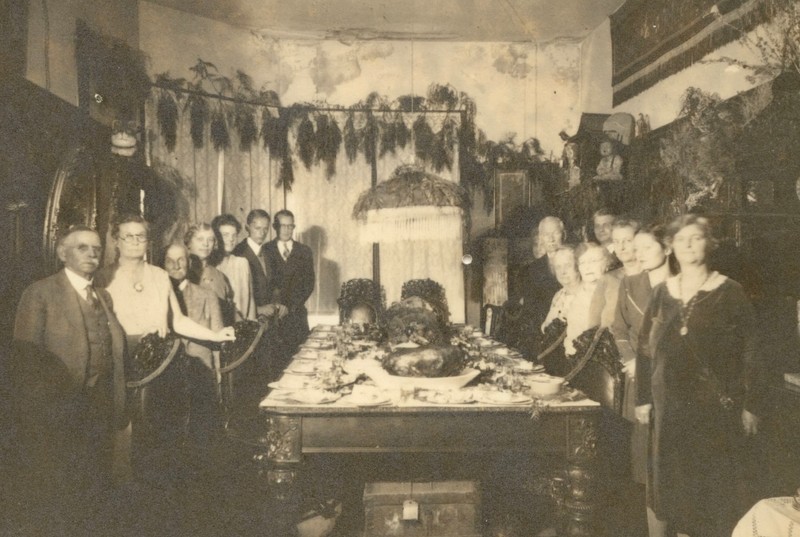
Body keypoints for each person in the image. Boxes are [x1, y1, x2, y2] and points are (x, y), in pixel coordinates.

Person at [635, 215, 766, 537]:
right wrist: (642, 399)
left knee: (707, 488)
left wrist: (752, 404)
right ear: (672, 247)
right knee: (669, 483)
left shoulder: (730, 292)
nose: (689, 245)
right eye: (681, 239)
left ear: (710, 243)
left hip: (711, 409)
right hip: (668, 408)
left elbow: (753, 351)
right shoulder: (662, 293)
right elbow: (644, 350)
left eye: (696, 238)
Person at [8, 226, 127, 534]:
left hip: (100, 408)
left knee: (96, 485)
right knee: (61, 493)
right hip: (58, 413)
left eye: (96, 249)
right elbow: (25, 360)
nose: (91, 254)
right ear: (63, 253)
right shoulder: (40, 293)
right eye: (82, 248)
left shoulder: (103, 296)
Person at [611, 223, 673, 537]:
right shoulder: (630, 284)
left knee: (674, 467)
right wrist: (631, 360)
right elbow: (619, 329)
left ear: (668, 248)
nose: (638, 254)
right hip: (640, 384)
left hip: (673, 385)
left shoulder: (681, 286)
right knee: (647, 469)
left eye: (646, 247)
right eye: (636, 248)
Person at [96, 214, 235, 350]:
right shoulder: (102, 278)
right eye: (128, 236)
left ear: (148, 242)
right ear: (116, 241)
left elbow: (178, 321)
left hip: (157, 357)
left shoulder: (160, 275)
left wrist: (215, 335)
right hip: (121, 357)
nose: (135, 241)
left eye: (141, 236)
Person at [164, 243, 223, 444]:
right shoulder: (159, 297)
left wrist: (218, 373)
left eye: (181, 259)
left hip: (202, 371)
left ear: (189, 263)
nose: (175, 265)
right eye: (169, 261)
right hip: (169, 373)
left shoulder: (207, 295)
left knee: (202, 431)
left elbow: (218, 338)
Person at [264, 209, 315, 359]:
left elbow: (309, 284)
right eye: (283, 225)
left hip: (296, 316)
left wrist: (291, 306)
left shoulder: (304, 251)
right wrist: (277, 306)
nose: (286, 230)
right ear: (275, 227)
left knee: (300, 359)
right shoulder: (265, 250)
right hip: (273, 319)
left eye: (290, 226)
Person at [589, 218, 642, 328]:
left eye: (627, 241)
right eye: (616, 242)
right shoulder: (608, 279)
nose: (621, 247)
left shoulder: (652, 276)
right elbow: (593, 322)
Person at [185, 223, 237, 325]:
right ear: (189, 243)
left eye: (210, 239)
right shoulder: (182, 273)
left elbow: (229, 313)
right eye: (200, 239)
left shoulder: (220, 277)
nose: (206, 244)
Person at [211, 213, 256, 321]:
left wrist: (253, 328)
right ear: (216, 237)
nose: (231, 239)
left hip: (241, 328)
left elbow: (251, 300)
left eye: (234, 235)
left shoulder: (242, 263)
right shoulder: (210, 265)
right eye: (225, 235)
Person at [232, 209, 274, 317]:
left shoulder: (269, 252)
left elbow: (273, 285)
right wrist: (258, 309)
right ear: (247, 227)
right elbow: (235, 295)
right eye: (257, 228)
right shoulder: (238, 253)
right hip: (248, 319)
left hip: (269, 321)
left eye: (265, 229)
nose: (262, 233)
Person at [541, 246, 581, 330]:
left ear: (577, 267)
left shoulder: (587, 293)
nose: (563, 272)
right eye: (558, 267)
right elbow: (546, 326)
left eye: (567, 265)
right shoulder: (558, 296)